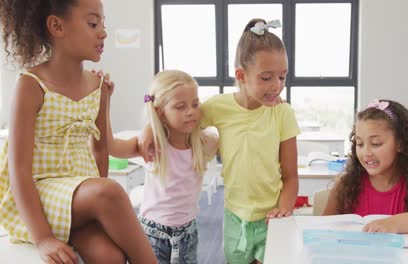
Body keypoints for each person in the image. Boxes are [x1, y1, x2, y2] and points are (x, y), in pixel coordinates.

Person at [0, 0, 158, 263]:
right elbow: (19, 171)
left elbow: (100, 148)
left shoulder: (98, 85)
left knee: (110, 257)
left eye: (103, 24)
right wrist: (43, 239)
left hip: (77, 196)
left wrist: (95, 202)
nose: (103, 32)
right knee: (111, 192)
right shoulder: (31, 84)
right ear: (56, 26)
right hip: (39, 194)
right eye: (93, 23)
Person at [139, 18, 300, 264]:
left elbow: (291, 176)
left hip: (271, 217)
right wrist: (151, 127)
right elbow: (180, 118)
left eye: (282, 76)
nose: (277, 86)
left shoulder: (283, 113)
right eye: (267, 78)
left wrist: (285, 208)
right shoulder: (218, 106)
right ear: (241, 75)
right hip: (234, 216)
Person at [106, 69, 218, 263]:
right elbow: (112, 147)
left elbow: (229, 122)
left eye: (195, 104)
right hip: (151, 236)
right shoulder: (152, 146)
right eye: (180, 107)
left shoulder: (204, 143)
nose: (190, 112)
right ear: (160, 112)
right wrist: (104, 103)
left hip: (187, 235)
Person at [322, 99, 408, 233]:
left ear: (400, 144)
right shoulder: (345, 186)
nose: (366, 152)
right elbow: (321, 229)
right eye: (359, 144)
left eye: (376, 144)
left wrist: (392, 224)